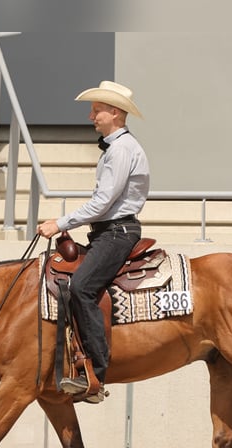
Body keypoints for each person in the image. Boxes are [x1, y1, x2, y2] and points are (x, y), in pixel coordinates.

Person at [37, 80, 150, 403]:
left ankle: (95, 373)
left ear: (114, 113)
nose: (91, 116)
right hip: (109, 231)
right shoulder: (118, 149)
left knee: (82, 288)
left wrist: (58, 223)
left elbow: (101, 204)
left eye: (96, 110)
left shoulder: (122, 150)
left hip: (117, 232)